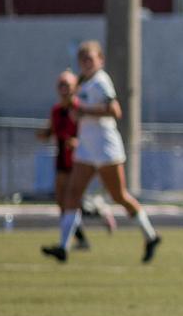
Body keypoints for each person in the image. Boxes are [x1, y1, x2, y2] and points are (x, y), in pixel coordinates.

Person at [42, 41, 161, 264]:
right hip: (86, 148)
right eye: (82, 59)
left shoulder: (101, 82)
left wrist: (83, 110)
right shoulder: (82, 83)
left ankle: (151, 236)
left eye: (90, 59)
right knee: (71, 196)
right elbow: (75, 110)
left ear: (100, 60)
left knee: (119, 196)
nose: (86, 63)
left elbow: (115, 110)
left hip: (106, 147)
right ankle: (63, 247)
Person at [36, 70, 117, 251]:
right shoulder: (56, 110)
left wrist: (77, 143)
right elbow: (52, 130)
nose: (63, 89)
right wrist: (44, 134)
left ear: (75, 88)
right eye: (61, 85)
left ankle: (98, 213)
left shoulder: (81, 109)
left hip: (81, 160)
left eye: (67, 85)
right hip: (62, 160)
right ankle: (80, 238)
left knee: (72, 200)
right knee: (63, 202)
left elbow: (92, 133)